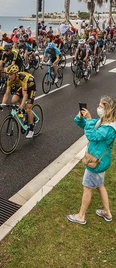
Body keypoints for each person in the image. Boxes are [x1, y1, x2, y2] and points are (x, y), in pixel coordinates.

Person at [67, 95, 116, 225]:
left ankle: (81, 216)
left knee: (87, 187)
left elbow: (92, 136)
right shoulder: (103, 121)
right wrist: (81, 117)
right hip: (101, 162)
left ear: (108, 109)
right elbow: (85, 125)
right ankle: (107, 212)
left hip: (96, 163)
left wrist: (88, 120)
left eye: (101, 106)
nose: (98, 108)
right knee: (100, 185)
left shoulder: (109, 128)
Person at [0, 65, 37, 139]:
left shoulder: (23, 79)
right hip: (22, 87)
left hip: (31, 87)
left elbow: (25, 95)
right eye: (8, 74)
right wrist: (1, 105)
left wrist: (21, 107)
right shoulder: (9, 80)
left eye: (11, 74)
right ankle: (24, 113)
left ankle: (31, 129)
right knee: (13, 100)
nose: (9, 76)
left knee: (28, 108)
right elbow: (6, 94)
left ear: (16, 74)